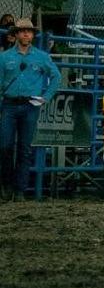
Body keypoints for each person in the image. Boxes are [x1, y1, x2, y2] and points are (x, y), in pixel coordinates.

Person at [0, 19, 61, 200]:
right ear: (16, 34)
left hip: (29, 105)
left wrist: (45, 97)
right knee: (5, 146)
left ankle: (19, 189)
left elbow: (56, 76)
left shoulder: (41, 57)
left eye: (29, 31)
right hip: (9, 104)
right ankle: (6, 185)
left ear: (33, 35)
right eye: (22, 31)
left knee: (24, 148)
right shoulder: (4, 57)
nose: (26, 34)